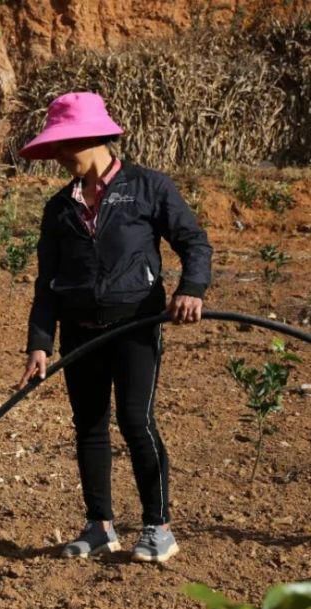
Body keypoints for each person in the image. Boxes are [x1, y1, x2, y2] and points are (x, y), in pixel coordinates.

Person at [16, 92, 212, 563]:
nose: (59, 157)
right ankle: (99, 525)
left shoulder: (148, 188)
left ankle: (157, 525)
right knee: (89, 426)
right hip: (78, 330)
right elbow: (47, 284)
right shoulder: (59, 208)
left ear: (92, 138)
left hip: (136, 327)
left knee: (135, 419)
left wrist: (192, 288)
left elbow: (194, 242)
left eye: (65, 146)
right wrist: (39, 344)